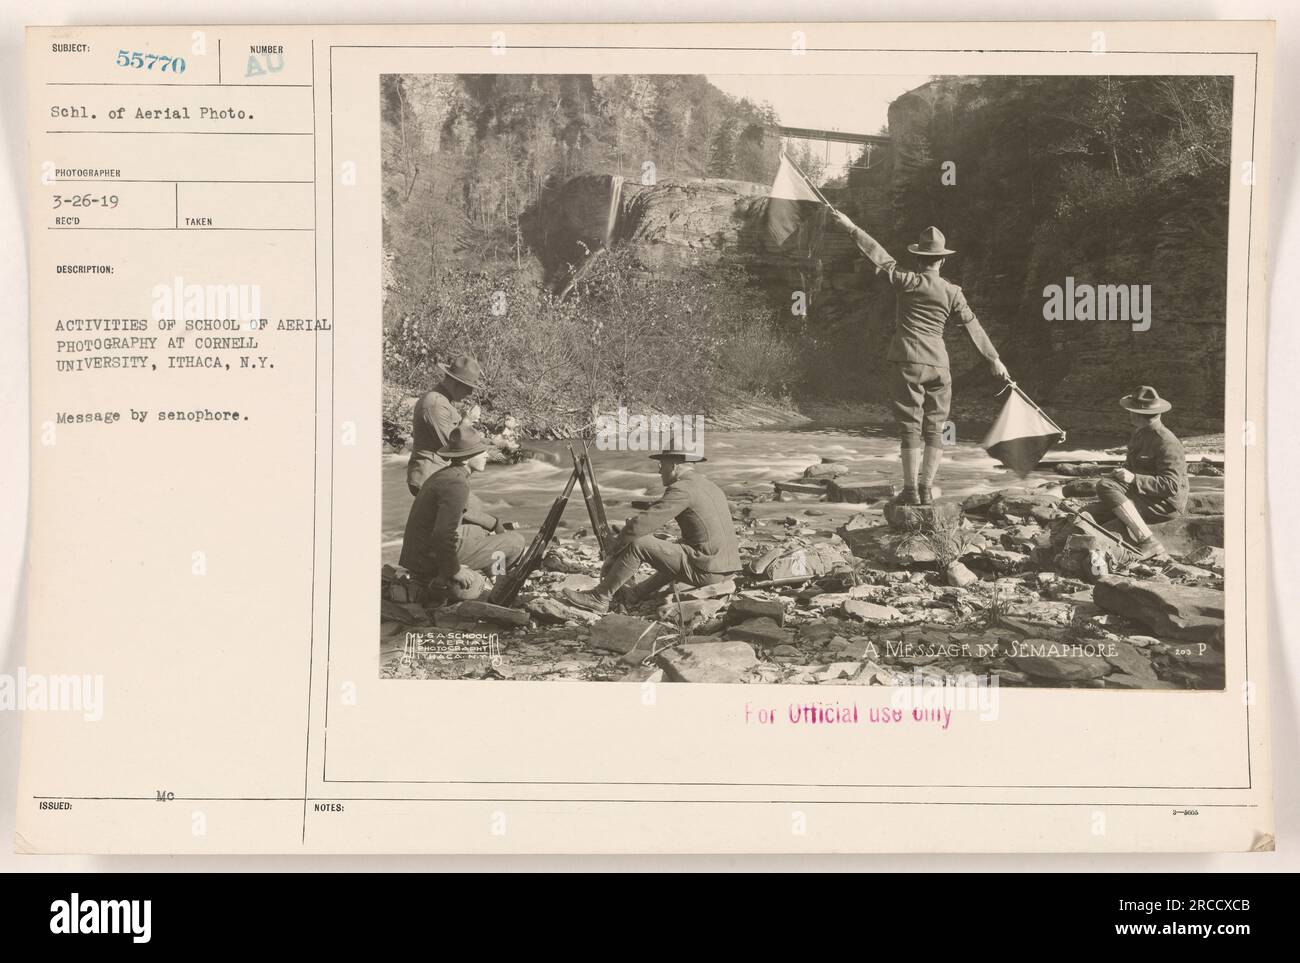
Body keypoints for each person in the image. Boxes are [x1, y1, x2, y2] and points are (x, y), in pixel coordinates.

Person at [832, 214, 1009, 505]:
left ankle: (911, 490)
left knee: (910, 427)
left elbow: (879, 257)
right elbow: (972, 326)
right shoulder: (953, 292)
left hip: (908, 362)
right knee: (935, 428)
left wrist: (851, 228)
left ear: (918, 259)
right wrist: (994, 359)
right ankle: (927, 489)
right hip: (940, 366)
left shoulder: (907, 281)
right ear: (942, 261)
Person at [561, 441, 742, 614]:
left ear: (674, 465)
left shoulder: (681, 489)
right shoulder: (709, 486)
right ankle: (637, 593)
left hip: (708, 570)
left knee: (640, 544)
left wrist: (613, 552)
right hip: (726, 568)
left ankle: (599, 597)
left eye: (662, 464)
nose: (659, 470)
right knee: (674, 548)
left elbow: (640, 525)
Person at [399, 426, 526, 601]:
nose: (487, 455)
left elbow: (465, 512)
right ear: (466, 459)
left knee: (479, 531)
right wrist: (455, 570)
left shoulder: (446, 474)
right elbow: (442, 535)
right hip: (428, 559)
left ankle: (490, 575)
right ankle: (497, 584)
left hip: (416, 556)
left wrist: (495, 524)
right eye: (481, 452)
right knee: (515, 541)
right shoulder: (457, 484)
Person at [1077, 386, 1187, 561]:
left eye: (1131, 411)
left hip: (1165, 504)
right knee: (1085, 514)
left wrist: (1134, 478)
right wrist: (1122, 473)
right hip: (1144, 496)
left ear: (1138, 415)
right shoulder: (1140, 434)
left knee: (1105, 486)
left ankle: (1148, 541)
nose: (1129, 414)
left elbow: (1171, 486)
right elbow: (1133, 467)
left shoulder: (1166, 442)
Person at [406, 354, 483, 496]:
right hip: (429, 476)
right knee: (475, 516)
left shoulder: (443, 401)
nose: (471, 393)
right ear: (456, 383)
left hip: (435, 474)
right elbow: (453, 447)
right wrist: (467, 421)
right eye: (468, 388)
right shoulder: (436, 404)